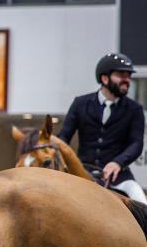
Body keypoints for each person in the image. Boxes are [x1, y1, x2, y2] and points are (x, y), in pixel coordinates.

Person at [58, 53, 146, 203]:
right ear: (105, 78)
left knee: (143, 203)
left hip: (119, 177)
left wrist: (117, 162)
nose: (126, 80)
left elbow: (136, 143)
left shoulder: (135, 109)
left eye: (128, 75)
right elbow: (64, 137)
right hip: (82, 172)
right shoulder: (80, 103)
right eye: (121, 75)